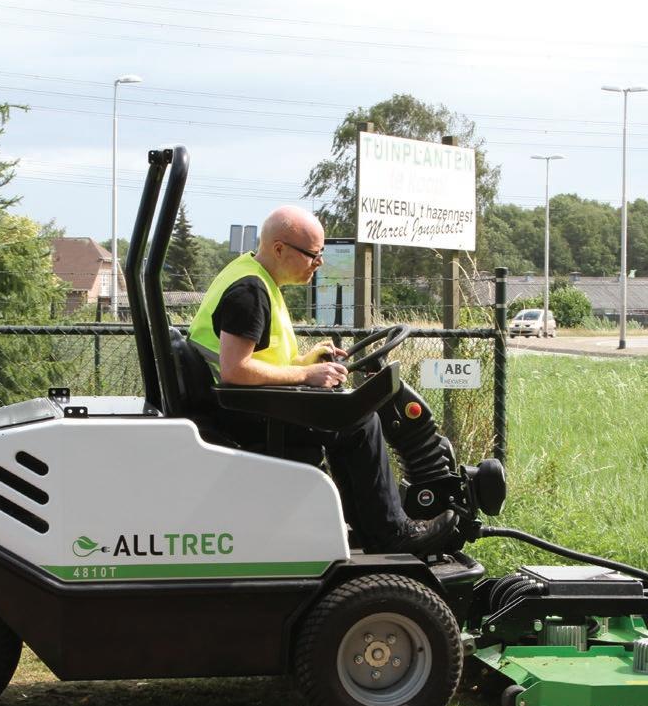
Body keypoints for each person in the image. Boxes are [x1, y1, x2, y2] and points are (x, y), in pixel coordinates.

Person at [188, 205, 456, 556]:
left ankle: (367, 528)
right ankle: (390, 533)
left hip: (246, 405)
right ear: (279, 248)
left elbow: (261, 360)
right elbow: (235, 370)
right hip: (243, 415)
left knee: (348, 417)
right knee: (359, 422)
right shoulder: (250, 291)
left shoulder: (254, 277)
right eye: (312, 254)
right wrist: (306, 375)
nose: (319, 262)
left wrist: (305, 361)